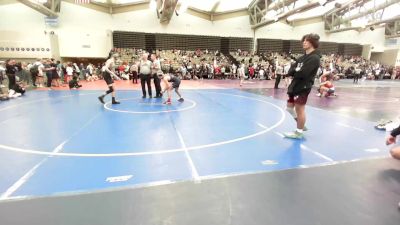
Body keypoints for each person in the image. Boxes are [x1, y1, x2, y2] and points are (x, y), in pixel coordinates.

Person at [284, 33, 321, 139]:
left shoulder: (314, 58)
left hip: (303, 87)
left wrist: (295, 71)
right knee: (289, 108)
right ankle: (302, 125)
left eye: (307, 40)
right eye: (303, 40)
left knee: (300, 109)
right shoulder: (302, 58)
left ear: (313, 43)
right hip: (294, 86)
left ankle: (299, 131)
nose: (304, 42)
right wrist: (295, 71)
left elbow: (303, 73)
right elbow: (291, 70)